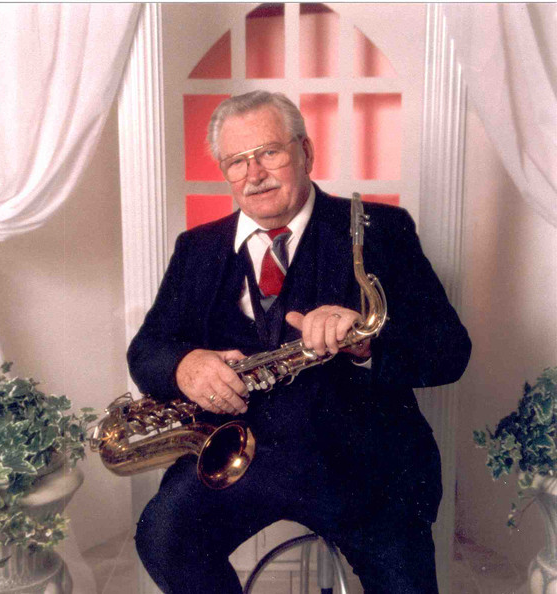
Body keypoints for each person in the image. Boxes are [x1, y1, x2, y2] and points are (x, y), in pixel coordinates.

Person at [128, 90, 471, 594]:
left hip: (364, 466)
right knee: (164, 538)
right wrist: (185, 365)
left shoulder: (380, 231)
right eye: (236, 161)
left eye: (269, 152)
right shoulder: (197, 247)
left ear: (305, 152)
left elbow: (449, 351)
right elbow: (146, 349)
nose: (254, 174)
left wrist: (365, 340)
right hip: (240, 458)